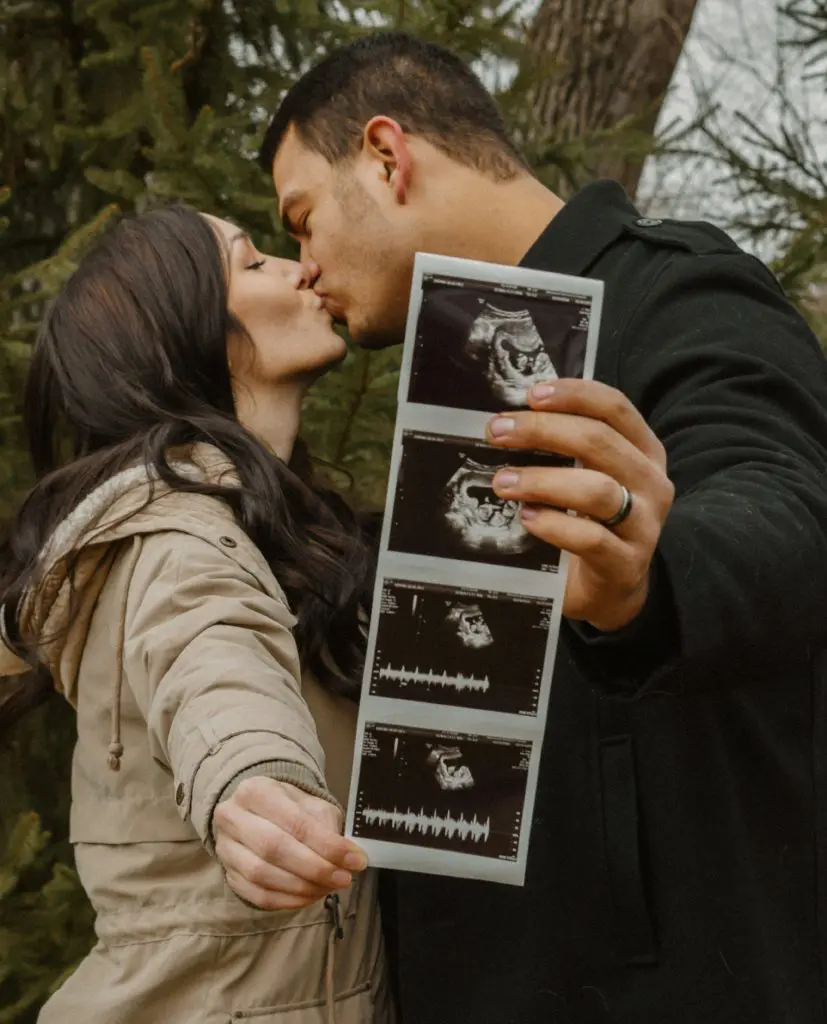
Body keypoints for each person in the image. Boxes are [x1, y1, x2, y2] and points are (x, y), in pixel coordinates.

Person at [255, 31, 827, 1024]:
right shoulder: (455, 383)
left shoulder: (674, 290)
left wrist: (650, 582)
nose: (304, 269)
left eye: (301, 220)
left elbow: (779, 502)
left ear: (386, 158)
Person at [0, 204, 395, 1023]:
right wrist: (253, 783)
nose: (300, 268)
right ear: (185, 337)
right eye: (253, 264)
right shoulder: (180, 537)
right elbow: (208, 655)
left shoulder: (273, 541)